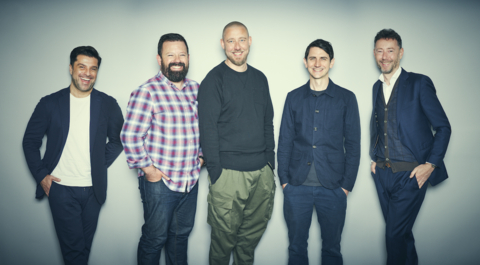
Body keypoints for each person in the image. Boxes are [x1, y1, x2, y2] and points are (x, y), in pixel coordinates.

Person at [22, 46, 124, 264]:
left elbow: (118, 140)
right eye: (81, 67)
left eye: (93, 68)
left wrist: (96, 163)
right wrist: (41, 175)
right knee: (75, 253)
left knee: (82, 251)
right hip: (61, 189)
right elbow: (30, 142)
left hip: (93, 191)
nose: (87, 73)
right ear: (70, 68)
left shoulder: (107, 104)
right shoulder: (49, 103)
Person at [370, 29, 451, 265]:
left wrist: (430, 164)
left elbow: (443, 127)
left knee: (393, 235)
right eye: (380, 51)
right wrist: (374, 158)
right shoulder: (376, 87)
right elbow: (378, 125)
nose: (384, 56)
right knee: (402, 235)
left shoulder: (418, 83)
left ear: (400, 53)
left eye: (390, 51)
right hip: (383, 173)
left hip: (411, 174)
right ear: (374, 53)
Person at [121, 33, 203, 265]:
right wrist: (149, 170)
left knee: (180, 238)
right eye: (170, 55)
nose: (177, 59)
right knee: (155, 238)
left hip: (190, 181)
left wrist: (202, 157)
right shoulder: (147, 91)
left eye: (182, 54)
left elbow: (207, 127)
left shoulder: (197, 89)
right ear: (159, 59)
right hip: (160, 184)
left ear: (188, 58)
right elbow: (129, 135)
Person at [198, 21, 276, 265]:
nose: (237, 46)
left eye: (241, 40)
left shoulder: (260, 79)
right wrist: (216, 173)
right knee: (222, 244)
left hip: (261, 174)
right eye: (230, 41)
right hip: (228, 175)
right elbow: (207, 129)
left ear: (249, 41)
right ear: (223, 45)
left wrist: (270, 164)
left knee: (248, 242)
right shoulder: (213, 80)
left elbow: (268, 123)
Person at [277, 39, 361, 265]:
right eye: (312, 58)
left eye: (323, 58)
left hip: (334, 187)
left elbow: (353, 145)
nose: (317, 63)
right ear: (305, 62)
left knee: (332, 249)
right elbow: (284, 141)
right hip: (296, 186)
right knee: (296, 248)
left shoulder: (346, 98)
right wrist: (285, 182)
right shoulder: (293, 97)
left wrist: (346, 186)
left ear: (331, 62)